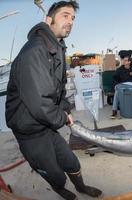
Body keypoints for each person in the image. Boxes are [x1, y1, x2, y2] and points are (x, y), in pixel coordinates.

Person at [5, 1, 102, 199]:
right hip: (29, 129)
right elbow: (40, 104)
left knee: (72, 162)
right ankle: (60, 189)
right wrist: (64, 118)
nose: (71, 21)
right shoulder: (34, 52)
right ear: (48, 20)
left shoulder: (57, 48)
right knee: (54, 174)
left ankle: (81, 187)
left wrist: (65, 109)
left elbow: (58, 89)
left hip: (47, 124)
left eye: (73, 18)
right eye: (65, 15)